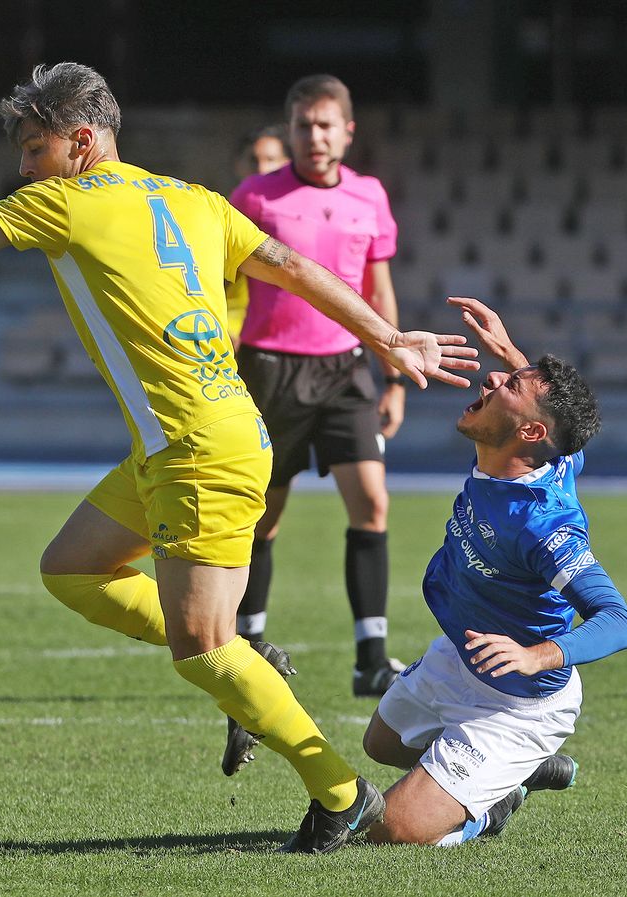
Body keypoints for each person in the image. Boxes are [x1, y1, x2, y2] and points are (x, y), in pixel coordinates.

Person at [0, 62, 479, 853]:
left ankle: (340, 793)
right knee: (71, 569)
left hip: (197, 449)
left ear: (82, 142)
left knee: (201, 648)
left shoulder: (64, 201)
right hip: (188, 439)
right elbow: (296, 269)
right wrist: (386, 336)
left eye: (34, 149)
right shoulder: (195, 200)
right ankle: (249, 660)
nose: (24, 169)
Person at [360, 295, 627, 846]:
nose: (491, 378)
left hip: (519, 700)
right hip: (465, 652)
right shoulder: (536, 452)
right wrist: (512, 353)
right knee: (382, 745)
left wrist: (535, 655)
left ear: (528, 434)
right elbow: (556, 426)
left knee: (392, 830)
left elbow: (619, 621)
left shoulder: (543, 526)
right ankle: (515, 777)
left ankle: (491, 807)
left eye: (508, 384)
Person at [227, 75, 407, 717]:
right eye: (303, 125)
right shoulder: (254, 196)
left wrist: (392, 375)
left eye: (326, 124)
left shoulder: (369, 195)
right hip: (271, 372)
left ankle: (371, 658)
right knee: (263, 517)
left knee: (373, 505)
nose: (314, 136)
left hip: (347, 372)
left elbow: (378, 290)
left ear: (347, 131)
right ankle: (248, 647)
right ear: (290, 130)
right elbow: (221, 283)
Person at [224, 124, 289, 344]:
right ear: (238, 164)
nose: (261, 168)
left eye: (271, 160)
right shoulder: (225, 213)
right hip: (234, 332)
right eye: (253, 160)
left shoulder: (292, 221)